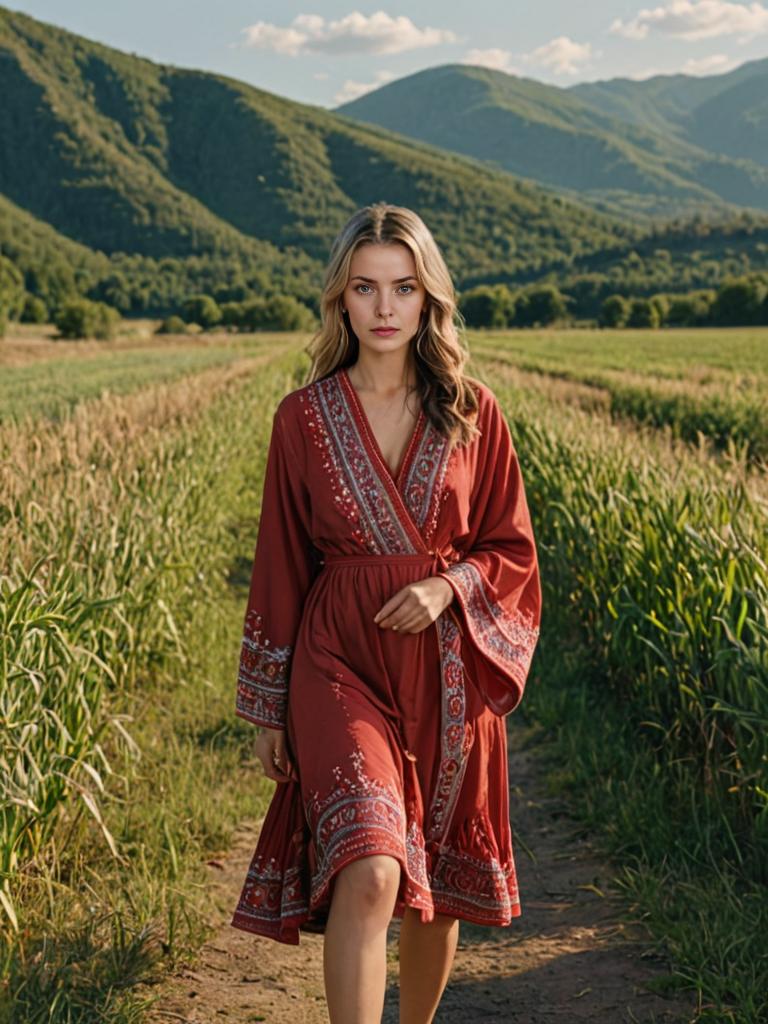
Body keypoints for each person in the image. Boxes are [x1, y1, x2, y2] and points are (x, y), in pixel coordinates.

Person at [230, 201, 542, 1024]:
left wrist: (448, 587)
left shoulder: (476, 414)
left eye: (402, 288)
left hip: (447, 668)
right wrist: (269, 707)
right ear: (340, 299)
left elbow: (511, 550)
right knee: (372, 868)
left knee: (433, 886)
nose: (383, 308)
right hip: (338, 660)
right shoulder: (301, 418)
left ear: (428, 297)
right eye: (364, 288)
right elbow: (281, 563)